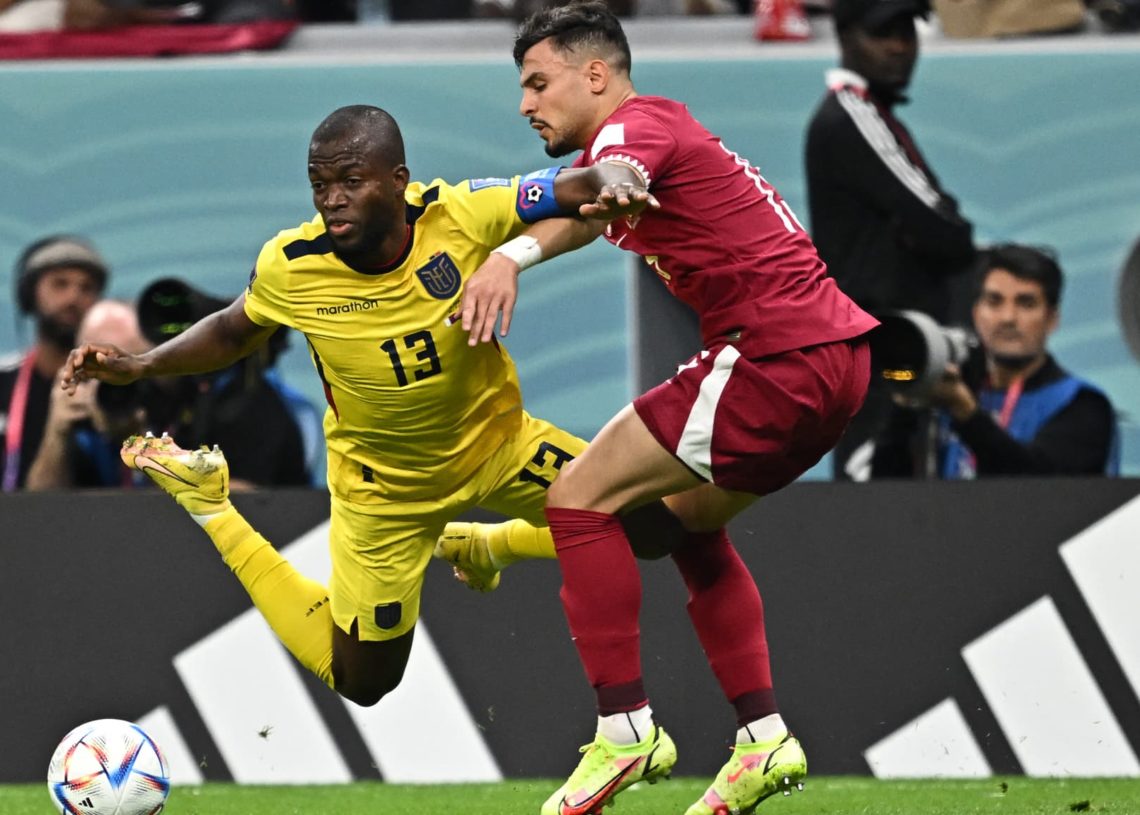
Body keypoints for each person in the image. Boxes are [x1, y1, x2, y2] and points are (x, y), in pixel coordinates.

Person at [62, 105, 682, 719]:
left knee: (656, 529)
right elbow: (231, 332)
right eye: (320, 186)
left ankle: (489, 547)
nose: (332, 200)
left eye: (350, 182)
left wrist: (618, 182)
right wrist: (141, 366)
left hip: (499, 446)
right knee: (363, 679)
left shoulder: (460, 213)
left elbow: (580, 184)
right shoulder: (292, 265)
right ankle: (211, 507)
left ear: (398, 180)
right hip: (382, 490)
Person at [439, 5, 878, 814]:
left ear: (595, 75)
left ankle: (625, 728)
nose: (526, 104)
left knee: (577, 496)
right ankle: (762, 737)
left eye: (538, 83)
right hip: (837, 358)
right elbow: (591, 208)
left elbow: (616, 182)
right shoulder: (654, 130)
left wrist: (507, 254)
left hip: (773, 353)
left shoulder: (630, 132)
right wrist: (526, 242)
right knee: (681, 526)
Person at [804, 0, 977, 481]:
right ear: (845, 38)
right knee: (878, 524)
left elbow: (941, 232)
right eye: (884, 34)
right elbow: (949, 234)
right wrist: (932, 231)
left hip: (899, 367)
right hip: (880, 368)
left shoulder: (867, 114)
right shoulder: (853, 115)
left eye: (908, 32)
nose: (901, 47)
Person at [909, 244, 1118, 477]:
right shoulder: (946, 396)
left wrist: (965, 412)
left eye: (1026, 303)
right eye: (994, 301)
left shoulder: (1083, 405)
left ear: (1052, 319)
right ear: (977, 314)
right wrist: (905, 407)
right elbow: (886, 491)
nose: (1008, 318)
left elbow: (1038, 487)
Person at [1, 235, 106, 492]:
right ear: (29, 296)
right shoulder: (2, 383)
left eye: (87, 288)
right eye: (60, 284)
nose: (74, 297)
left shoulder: (115, 388)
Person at [24, 299, 152, 490]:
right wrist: (57, 436)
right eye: (100, 368)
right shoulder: (73, 418)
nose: (116, 384)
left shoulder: (170, 407)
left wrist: (143, 442)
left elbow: (191, 507)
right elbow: (38, 510)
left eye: (127, 371)